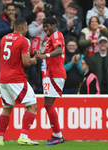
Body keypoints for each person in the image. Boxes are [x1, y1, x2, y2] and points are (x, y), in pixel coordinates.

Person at [0, 18, 39, 146]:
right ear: (24, 28)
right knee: (32, 106)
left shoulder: (4, 38)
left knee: (7, 108)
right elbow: (26, 62)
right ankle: (23, 137)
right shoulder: (24, 40)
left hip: (3, 79)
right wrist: (34, 59)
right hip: (16, 78)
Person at [35, 17, 66, 145]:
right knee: (47, 104)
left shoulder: (57, 34)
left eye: (47, 26)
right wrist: (40, 53)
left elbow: (59, 50)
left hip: (55, 74)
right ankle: (56, 134)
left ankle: (58, 135)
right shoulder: (49, 39)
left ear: (54, 25)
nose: (45, 29)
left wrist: (45, 55)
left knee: (48, 104)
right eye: (44, 26)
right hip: (50, 74)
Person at [28, 11, 46, 93]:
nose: (41, 18)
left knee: (41, 75)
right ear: (36, 18)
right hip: (32, 55)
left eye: (43, 16)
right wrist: (41, 26)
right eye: (39, 16)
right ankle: (32, 91)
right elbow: (32, 33)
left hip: (42, 55)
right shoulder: (32, 25)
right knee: (33, 74)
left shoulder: (46, 28)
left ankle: (41, 91)